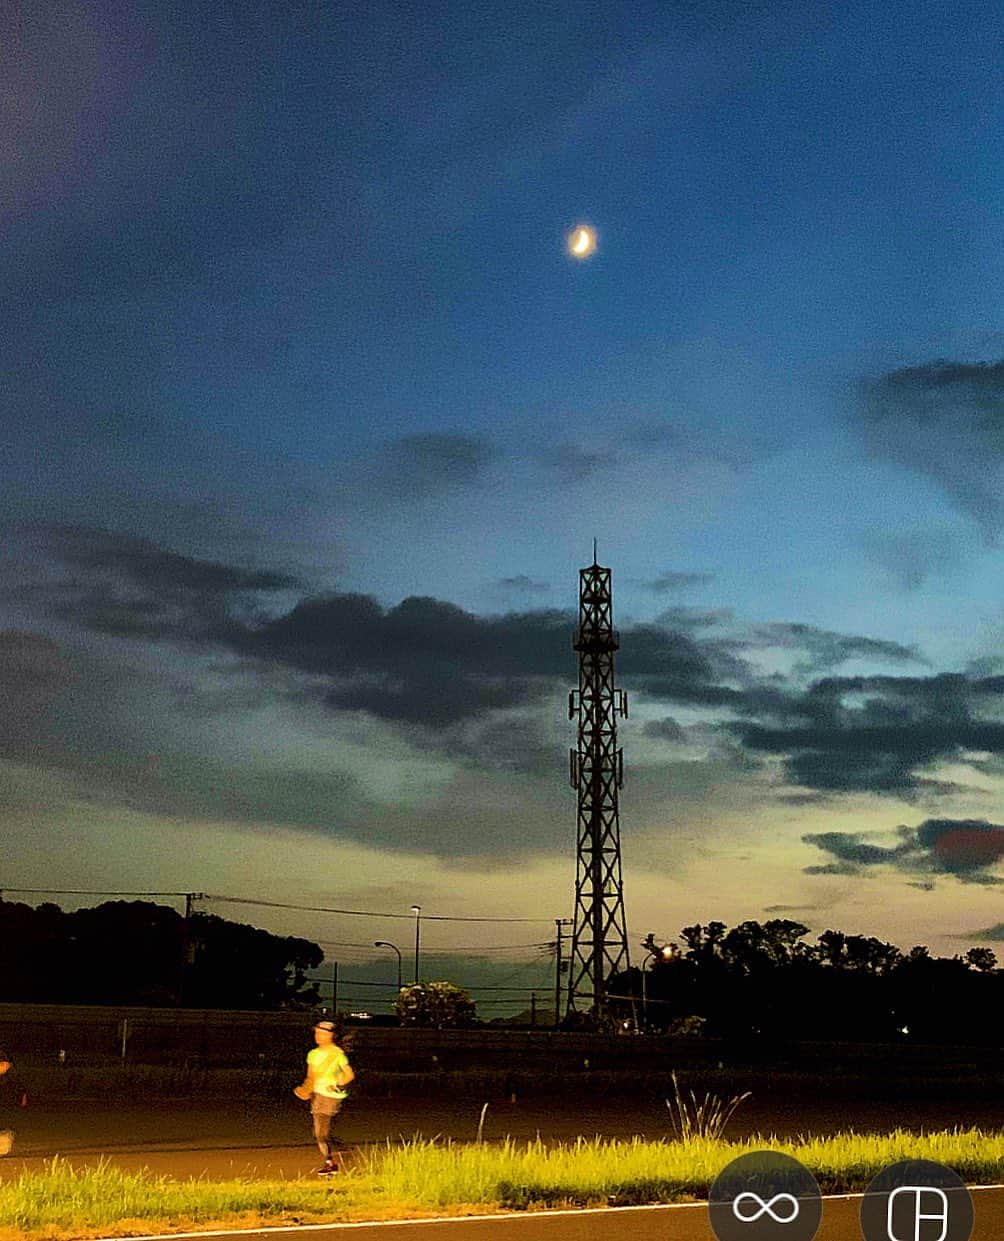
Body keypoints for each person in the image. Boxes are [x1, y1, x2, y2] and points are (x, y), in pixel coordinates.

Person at [294, 1018, 354, 1175]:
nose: (318, 1036)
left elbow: (349, 1075)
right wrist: (305, 1090)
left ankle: (332, 1161)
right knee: (319, 1133)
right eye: (317, 1033)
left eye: (322, 1033)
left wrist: (339, 1084)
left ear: (331, 1036)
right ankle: (336, 1155)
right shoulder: (313, 1054)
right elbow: (311, 1077)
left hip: (331, 1096)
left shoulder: (337, 1054)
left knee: (321, 1133)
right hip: (317, 1095)